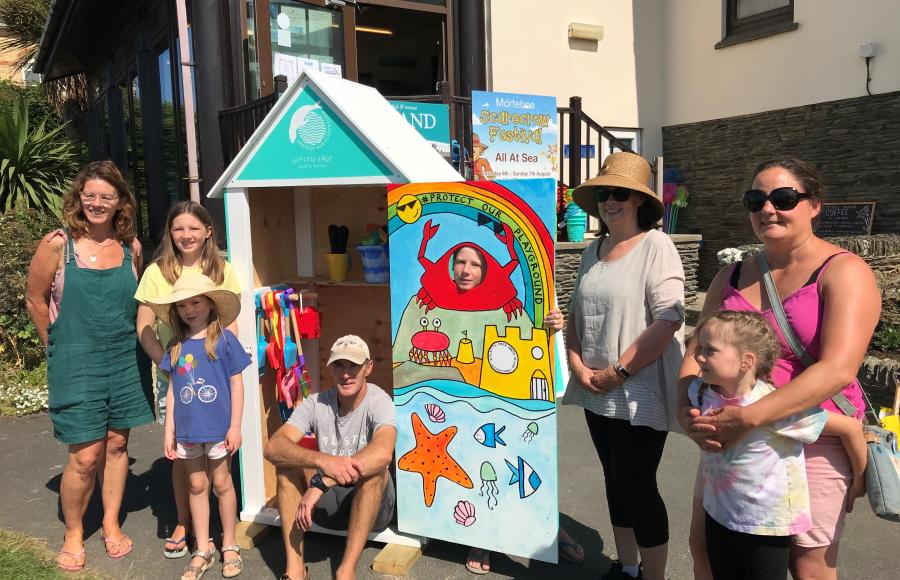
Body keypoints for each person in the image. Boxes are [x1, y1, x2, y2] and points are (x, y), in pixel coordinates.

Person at [678, 157, 881, 580]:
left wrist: (749, 417)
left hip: (812, 436)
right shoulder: (732, 275)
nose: (768, 209)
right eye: (756, 200)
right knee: (708, 550)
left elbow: (838, 368)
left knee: (807, 565)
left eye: (784, 198)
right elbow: (696, 348)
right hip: (734, 436)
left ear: (814, 205)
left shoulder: (844, 271)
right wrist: (686, 409)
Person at [25, 160, 154, 572]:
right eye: (91, 195)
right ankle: (75, 532)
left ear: (121, 203)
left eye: (107, 196)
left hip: (123, 360)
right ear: (80, 198)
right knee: (84, 455)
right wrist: (56, 345)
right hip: (76, 361)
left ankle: (111, 523)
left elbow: (139, 305)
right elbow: (35, 300)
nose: (97, 203)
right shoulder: (56, 246)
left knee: (117, 445)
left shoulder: (130, 248)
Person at [563, 152, 685, 580]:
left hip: (638, 388)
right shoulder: (592, 250)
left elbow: (669, 319)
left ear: (639, 201)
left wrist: (619, 372)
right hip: (595, 387)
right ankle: (628, 567)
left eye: (619, 193)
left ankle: (653, 577)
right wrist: (577, 365)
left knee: (637, 484)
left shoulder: (657, 245)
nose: (609, 201)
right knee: (614, 480)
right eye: (603, 193)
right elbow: (576, 315)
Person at [689, 310, 866, 580]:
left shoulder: (775, 408)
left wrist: (859, 480)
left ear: (747, 361)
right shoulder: (702, 392)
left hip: (764, 527)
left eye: (709, 350)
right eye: (699, 347)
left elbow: (850, 427)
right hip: (718, 515)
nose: (698, 356)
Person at [447, 245, 585, 574]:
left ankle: (548, 526)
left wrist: (553, 325)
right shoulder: (438, 301)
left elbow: (535, 339)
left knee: (529, 463)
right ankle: (482, 537)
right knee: (477, 466)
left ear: (486, 269)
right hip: (463, 402)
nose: (466, 270)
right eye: (460, 263)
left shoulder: (508, 307)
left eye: (475, 264)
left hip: (508, 400)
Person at [134, 200, 241, 559]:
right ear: (170, 232)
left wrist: (227, 367)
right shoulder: (156, 272)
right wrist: (165, 363)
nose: (186, 235)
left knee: (219, 455)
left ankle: (224, 535)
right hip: (177, 369)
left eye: (194, 228)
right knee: (183, 454)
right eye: (178, 228)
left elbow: (232, 321)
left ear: (208, 231)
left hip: (215, 371)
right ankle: (185, 522)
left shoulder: (222, 268)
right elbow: (144, 325)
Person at [264, 335, 397, 580]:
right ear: (331, 368)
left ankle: (346, 571)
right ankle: (295, 570)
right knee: (285, 467)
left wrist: (322, 482)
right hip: (327, 508)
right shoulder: (316, 402)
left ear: (368, 368)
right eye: (339, 365)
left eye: (353, 366)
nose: (345, 374)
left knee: (375, 472)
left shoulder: (380, 401)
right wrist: (325, 462)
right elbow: (273, 447)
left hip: (372, 508)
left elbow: (383, 452)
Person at [148, 273, 250, 580]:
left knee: (222, 484)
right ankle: (202, 548)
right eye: (182, 305)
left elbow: (237, 384)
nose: (189, 309)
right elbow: (171, 389)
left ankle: (229, 545)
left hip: (219, 429)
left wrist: (235, 426)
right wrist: (169, 431)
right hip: (188, 431)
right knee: (196, 486)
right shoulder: (175, 345)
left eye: (195, 302)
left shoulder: (223, 339)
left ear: (209, 303)